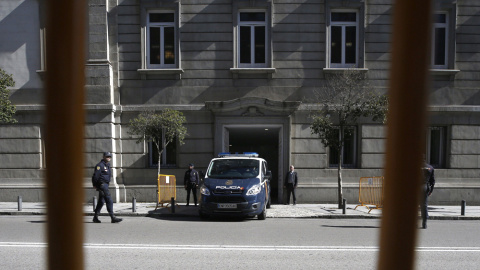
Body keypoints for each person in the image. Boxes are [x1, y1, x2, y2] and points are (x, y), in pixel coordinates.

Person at [92, 152, 122, 223]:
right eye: (107, 156)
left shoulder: (107, 165)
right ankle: (112, 217)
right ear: (103, 157)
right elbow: (95, 176)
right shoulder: (100, 165)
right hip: (102, 184)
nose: (109, 158)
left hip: (106, 184)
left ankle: (95, 217)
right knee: (109, 199)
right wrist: (95, 185)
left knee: (101, 201)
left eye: (110, 157)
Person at [421, 160, 435, 229]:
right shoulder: (430, 167)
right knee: (424, 205)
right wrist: (431, 190)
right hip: (425, 187)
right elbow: (432, 181)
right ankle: (424, 223)